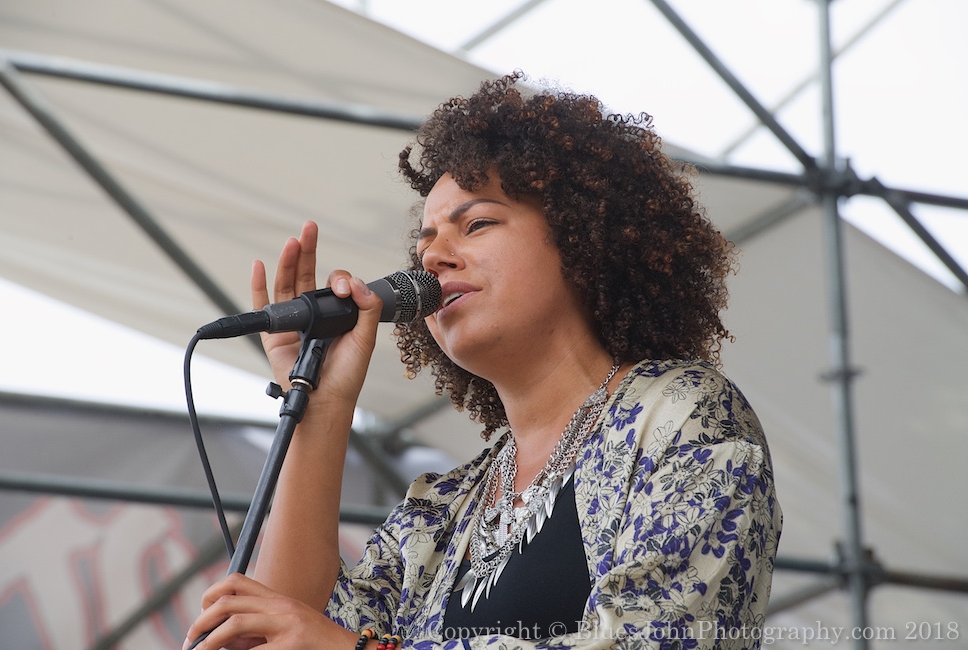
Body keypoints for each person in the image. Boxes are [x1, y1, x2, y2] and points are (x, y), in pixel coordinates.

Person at [184, 72, 782, 650]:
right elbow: (283, 634)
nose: (433, 258)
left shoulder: (683, 415)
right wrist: (320, 405)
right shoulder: (442, 510)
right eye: (424, 244)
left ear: (582, 238)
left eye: (477, 224)